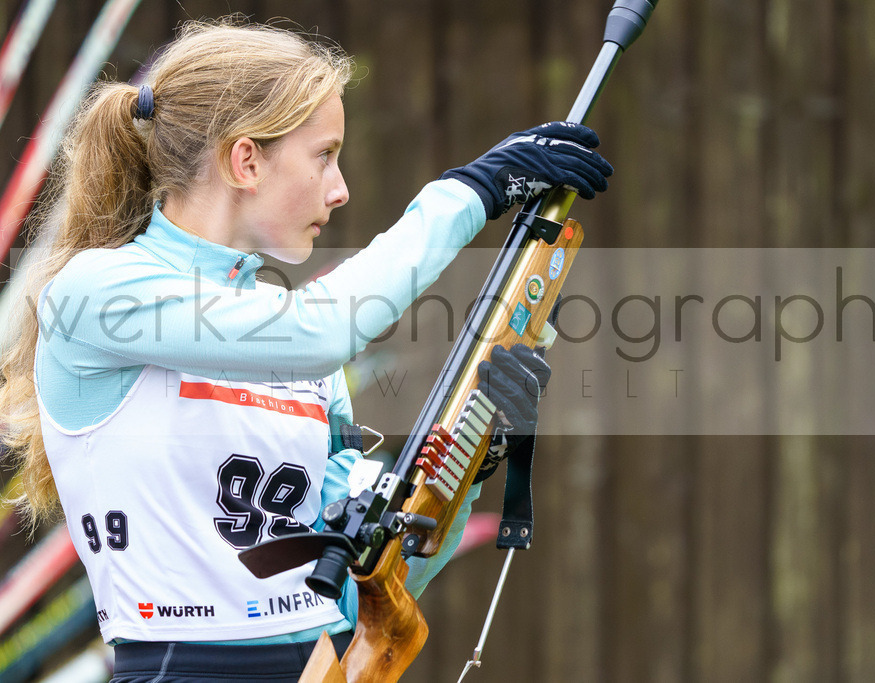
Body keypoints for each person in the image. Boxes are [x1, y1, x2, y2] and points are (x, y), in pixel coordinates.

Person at [0, 19, 611, 682]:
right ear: (246, 161)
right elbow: (320, 333)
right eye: (324, 155)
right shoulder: (95, 293)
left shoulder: (287, 337)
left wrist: (474, 451)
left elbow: (377, 582)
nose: (339, 188)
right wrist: (468, 193)